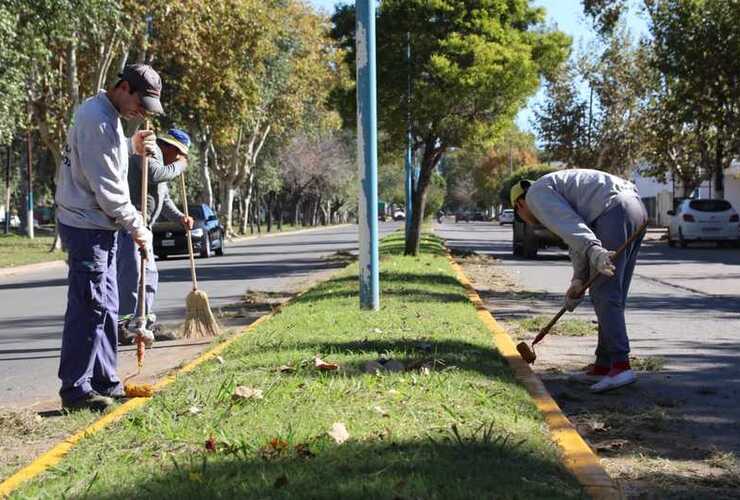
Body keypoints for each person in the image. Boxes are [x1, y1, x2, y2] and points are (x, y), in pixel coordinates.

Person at [55, 63, 164, 411]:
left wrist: (130, 147)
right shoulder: (97, 120)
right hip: (86, 225)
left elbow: (103, 163)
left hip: (101, 226)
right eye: (141, 103)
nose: (142, 111)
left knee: (109, 308)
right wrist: (138, 226)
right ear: (124, 88)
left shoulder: (109, 118)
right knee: (89, 307)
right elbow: (108, 189)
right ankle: (76, 390)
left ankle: (105, 380)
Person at [510, 169, 647, 393]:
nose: (527, 222)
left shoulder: (535, 195)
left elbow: (571, 225)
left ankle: (621, 366)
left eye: (519, 217)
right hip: (635, 208)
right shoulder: (555, 189)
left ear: (519, 205)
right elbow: (574, 235)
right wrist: (578, 280)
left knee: (604, 292)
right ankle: (604, 364)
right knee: (613, 292)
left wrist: (594, 250)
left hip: (614, 210)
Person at [117, 129, 193, 344]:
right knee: (131, 278)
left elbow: (164, 198)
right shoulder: (151, 151)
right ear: (169, 147)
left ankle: (144, 323)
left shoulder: (162, 163)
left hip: (145, 227)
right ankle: (120, 326)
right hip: (130, 225)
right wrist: (179, 166)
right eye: (179, 154)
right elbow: (154, 174)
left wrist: (180, 217)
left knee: (149, 278)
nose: (179, 159)